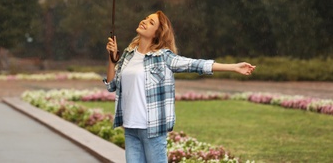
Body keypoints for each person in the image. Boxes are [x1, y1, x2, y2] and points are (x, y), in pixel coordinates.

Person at [103, 10, 255, 163]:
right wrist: (112, 58)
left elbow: (195, 64)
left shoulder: (163, 57)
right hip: (130, 127)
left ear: (157, 33)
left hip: (153, 129)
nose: (144, 21)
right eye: (145, 19)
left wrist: (233, 67)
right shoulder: (128, 54)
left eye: (151, 22)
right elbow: (111, 85)